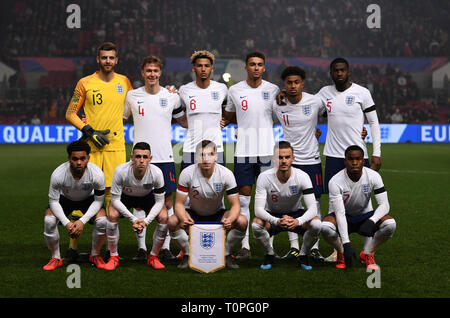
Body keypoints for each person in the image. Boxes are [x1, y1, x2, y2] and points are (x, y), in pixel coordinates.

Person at [65, 42, 132, 259]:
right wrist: (89, 130)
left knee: (113, 201)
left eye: (111, 57)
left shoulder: (124, 82)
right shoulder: (85, 83)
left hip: (116, 149)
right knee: (83, 197)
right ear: (98, 59)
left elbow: (137, 103)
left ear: (117, 60)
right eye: (104, 57)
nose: (108, 61)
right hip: (91, 149)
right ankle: (73, 248)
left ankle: (108, 251)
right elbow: (70, 113)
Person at [316, 57, 382, 262]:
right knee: (333, 204)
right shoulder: (324, 93)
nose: (339, 73)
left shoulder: (362, 93)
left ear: (349, 72)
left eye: (342, 70)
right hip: (334, 155)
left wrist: (376, 152)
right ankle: (338, 250)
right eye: (335, 70)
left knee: (365, 199)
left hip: (357, 154)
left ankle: (367, 251)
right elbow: (307, 109)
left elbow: (374, 123)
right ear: (331, 73)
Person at [123, 56, 187, 262]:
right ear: (142, 73)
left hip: (165, 157)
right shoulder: (132, 96)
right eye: (148, 71)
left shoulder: (172, 97)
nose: (152, 74)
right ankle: (142, 248)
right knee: (140, 203)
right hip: (140, 158)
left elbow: (184, 121)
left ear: (160, 73)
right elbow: (119, 119)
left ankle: (165, 248)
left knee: (167, 203)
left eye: (155, 71)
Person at [223, 51, 280, 260]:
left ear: (264, 68)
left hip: (267, 151)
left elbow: (283, 115)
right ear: (246, 67)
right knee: (245, 200)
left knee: (268, 201)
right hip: (244, 152)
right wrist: (222, 122)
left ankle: (269, 246)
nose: (256, 68)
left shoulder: (273, 90)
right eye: (252, 64)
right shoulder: (235, 90)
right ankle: (245, 246)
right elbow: (228, 115)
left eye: (259, 64)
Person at [272, 66, 325, 261]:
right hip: (289, 161)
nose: (293, 86)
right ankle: (294, 247)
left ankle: (314, 247)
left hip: (312, 160)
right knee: (290, 203)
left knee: (316, 203)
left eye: (296, 82)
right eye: (289, 83)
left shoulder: (315, 101)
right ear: (284, 85)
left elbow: (335, 116)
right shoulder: (278, 104)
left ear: (302, 84)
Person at [168, 140, 247, 269]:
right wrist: (184, 219)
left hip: (218, 214)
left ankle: (226, 253)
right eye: (202, 155)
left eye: (210, 154)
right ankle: (188, 253)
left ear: (216, 156)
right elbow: (179, 204)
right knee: (172, 222)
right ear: (196, 157)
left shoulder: (226, 174)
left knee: (242, 221)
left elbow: (236, 205)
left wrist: (229, 220)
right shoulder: (187, 173)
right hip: (193, 215)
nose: (206, 159)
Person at [321, 145, 396, 270]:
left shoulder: (373, 176)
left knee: (390, 224)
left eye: (358, 159)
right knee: (324, 227)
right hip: (343, 216)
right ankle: (340, 252)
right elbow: (339, 213)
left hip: (365, 216)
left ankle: (368, 253)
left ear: (363, 160)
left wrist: (371, 221)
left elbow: (384, 204)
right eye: (351, 159)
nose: (355, 162)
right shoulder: (335, 181)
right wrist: (346, 245)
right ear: (345, 161)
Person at [252, 141, 321, 270]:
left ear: (293, 158)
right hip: (273, 216)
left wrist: (298, 221)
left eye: (287, 157)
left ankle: (303, 255)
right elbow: (258, 210)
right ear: (274, 159)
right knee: (256, 224)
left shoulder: (302, 176)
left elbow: (313, 208)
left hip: (296, 214)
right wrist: (276, 221)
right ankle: (269, 253)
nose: (283, 161)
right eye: (280, 157)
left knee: (316, 224)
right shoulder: (264, 177)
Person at [43, 140, 107, 270]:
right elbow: (53, 202)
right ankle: (55, 257)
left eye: (83, 159)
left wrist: (82, 221)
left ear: (88, 158)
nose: (79, 162)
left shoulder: (97, 174)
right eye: (75, 159)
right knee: (49, 220)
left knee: (102, 221)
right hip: (65, 199)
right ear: (69, 159)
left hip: (89, 199)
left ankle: (95, 255)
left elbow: (99, 200)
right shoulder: (58, 174)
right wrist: (67, 223)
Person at [104, 142, 167, 270]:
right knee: (112, 214)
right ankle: (113, 256)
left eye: (145, 157)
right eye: (138, 156)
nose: (141, 160)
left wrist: (146, 221)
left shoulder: (157, 173)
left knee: (164, 217)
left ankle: (153, 257)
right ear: (132, 157)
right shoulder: (121, 171)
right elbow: (115, 199)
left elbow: (160, 202)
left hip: (147, 197)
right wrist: (134, 219)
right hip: (125, 197)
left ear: (150, 159)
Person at [178, 50, 228, 172]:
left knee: (218, 188)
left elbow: (230, 109)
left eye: (207, 66)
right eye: (199, 65)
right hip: (191, 149)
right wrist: (184, 123)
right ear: (193, 68)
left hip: (216, 148)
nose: (203, 69)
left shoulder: (222, 89)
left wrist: (226, 121)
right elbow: (176, 110)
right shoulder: (184, 90)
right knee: (188, 187)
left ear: (212, 69)